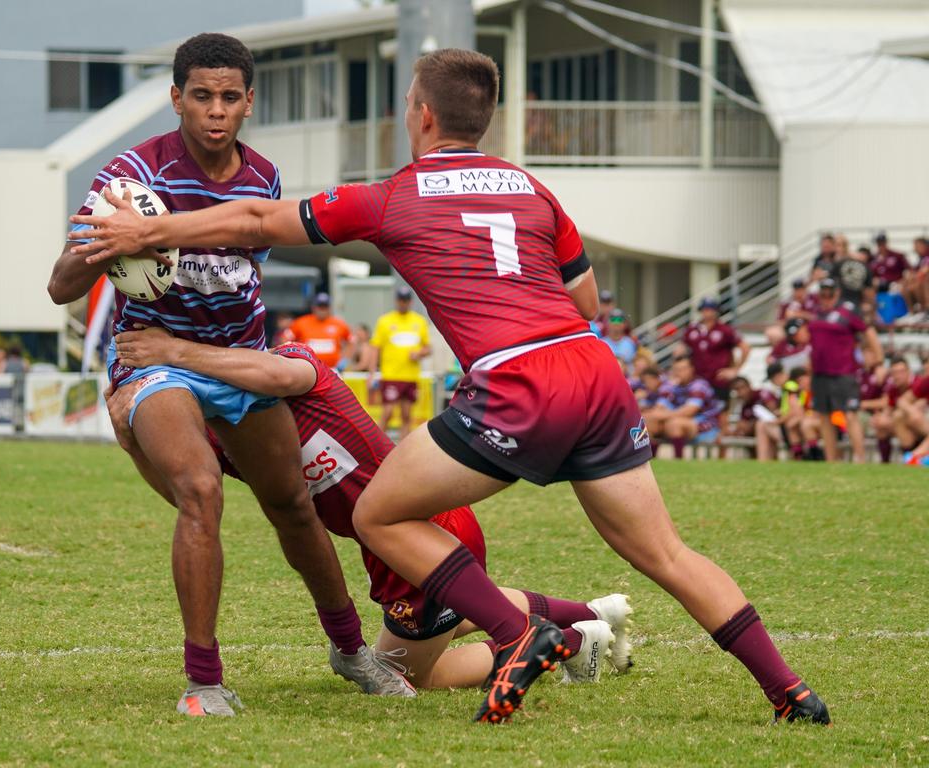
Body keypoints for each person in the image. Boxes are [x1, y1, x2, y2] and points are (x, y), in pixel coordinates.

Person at [69, 48, 831, 726]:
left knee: (378, 513)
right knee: (665, 552)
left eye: (406, 105)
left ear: (422, 115)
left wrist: (148, 235)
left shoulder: (393, 196)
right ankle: (790, 690)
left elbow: (259, 220)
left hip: (518, 383)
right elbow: (590, 305)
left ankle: (515, 633)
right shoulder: (532, 190)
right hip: (596, 372)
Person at [48, 33, 368, 717]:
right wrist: (103, 242)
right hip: (152, 362)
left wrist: (164, 241)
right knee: (200, 490)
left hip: (237, 363)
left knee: (293, 507)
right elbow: (59, 286)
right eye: (201, 96)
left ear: (249, 102)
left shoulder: (264, 179)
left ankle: (350, 649)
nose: (215, 110)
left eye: (229, 97)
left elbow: (242, 276)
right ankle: (203, 681)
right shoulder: (131, 177)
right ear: (177, 99)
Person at [108, 328, 632, 690]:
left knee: (411, 673)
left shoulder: (291, 365)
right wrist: (134, 441)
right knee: (457, 614)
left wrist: (174, 351)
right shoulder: (229, 439)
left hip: (414, 531)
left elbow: (273, 377)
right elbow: (188, 499)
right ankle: (590, 616)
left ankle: (563, 642)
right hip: (401, 541)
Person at [808, 278, 883, 462]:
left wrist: (878, 359)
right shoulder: (817, 315)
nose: (826, 296)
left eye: (829, 292)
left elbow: (868, 332)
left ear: (837, 293)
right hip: (820, 373)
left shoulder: (847, 313)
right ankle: (831, 458)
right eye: (823, 292)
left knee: (850, 414)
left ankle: (860, 458)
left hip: (843, 372)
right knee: (824, 416)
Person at [367, 286, 431, 438]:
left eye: (406, 300)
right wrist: (371, 374)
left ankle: (403, 449)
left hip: (411, 375)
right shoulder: (385, 321)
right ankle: (377, 444)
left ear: (411, 301)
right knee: (387, 412)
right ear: (396, 301)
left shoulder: (419, 321)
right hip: (391, 374)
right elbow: (375, 348)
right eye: (401, 300)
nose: (404, 303)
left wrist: (419, 353)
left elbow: (427, 348)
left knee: (407, 414)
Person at [645, 356, 724, 459]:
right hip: (680, 420)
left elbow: (690, 411)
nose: (678, 373)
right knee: (648, 419)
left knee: (674, 424)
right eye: (676, 369)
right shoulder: (673, 385)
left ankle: (679, 460)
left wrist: (663, 415)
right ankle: (652, 461)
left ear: (692, 369)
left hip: (706, 424)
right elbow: (660, 407)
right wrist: (669, 386)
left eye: (682, 369)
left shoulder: (699, 385)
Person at [681, 298, 751, 406]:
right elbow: (681, 350)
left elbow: (745, 347)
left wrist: (735, 370)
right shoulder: (692, 329)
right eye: (704, 309)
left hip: (718, 380)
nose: (706, 312)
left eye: (710, 309)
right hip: (697, 379)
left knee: (720, 411)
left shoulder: (725, 330)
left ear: (716, 311)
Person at [288, 293, 354, 371]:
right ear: (313, 307)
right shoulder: (301, 323)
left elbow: (351, 342)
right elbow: (285, 340)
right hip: (308, 369)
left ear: (329, 308)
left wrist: (345, 359)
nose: (322, 310)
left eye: (325, 306)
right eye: (320, 306)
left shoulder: (339, 324)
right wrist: (293, 357)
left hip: (333, 369)